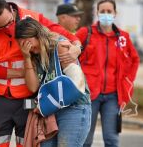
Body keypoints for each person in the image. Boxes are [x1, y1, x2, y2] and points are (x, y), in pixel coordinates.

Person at [0, 0, 82, 147]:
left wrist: (77, 45)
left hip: (29, 97)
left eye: (9, 23)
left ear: (11, 10)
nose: (8, 29)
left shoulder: (33, 18)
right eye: (0, 27)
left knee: (28, 142)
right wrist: (23, 72)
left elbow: (58, 31)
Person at [15, 17, 91, 147]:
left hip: (74, 108)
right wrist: (27, 57)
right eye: (22, 45)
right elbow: (33, 87)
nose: (28, 48)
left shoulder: (60, 47)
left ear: (38, 34)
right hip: (51, 113)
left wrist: (47, 105)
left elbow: (77, 85)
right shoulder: (32, 55)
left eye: (28, 43)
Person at [75, 0, 140, 147]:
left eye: (109, 11)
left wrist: (127, 80)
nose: (106, 14)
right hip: (88, 95)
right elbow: (70, 53)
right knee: (85, 139)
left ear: (115, 13)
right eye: (102, 11)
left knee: (112, 140)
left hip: (113, 96)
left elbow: (134, 59)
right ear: (97, 13)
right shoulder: (86, 33)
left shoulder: (123, 37)